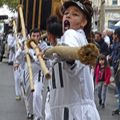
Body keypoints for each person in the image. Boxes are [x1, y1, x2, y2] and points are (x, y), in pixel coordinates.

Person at [45, 0, 100, 120]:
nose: (68, 15)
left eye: (75, 14)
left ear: (83, 22)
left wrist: (68, 56)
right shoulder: (74, 40)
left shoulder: (72, 34)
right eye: (66, 13)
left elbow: (72, 66)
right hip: (65, 109)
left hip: (73, 113)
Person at [110, 27, 120, 115]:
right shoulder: (115, 43)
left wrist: (113, 58)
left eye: (114, 34)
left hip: (118, 71)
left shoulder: (118, 44)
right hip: (116, 69)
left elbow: (116, 57)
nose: (113, 35)